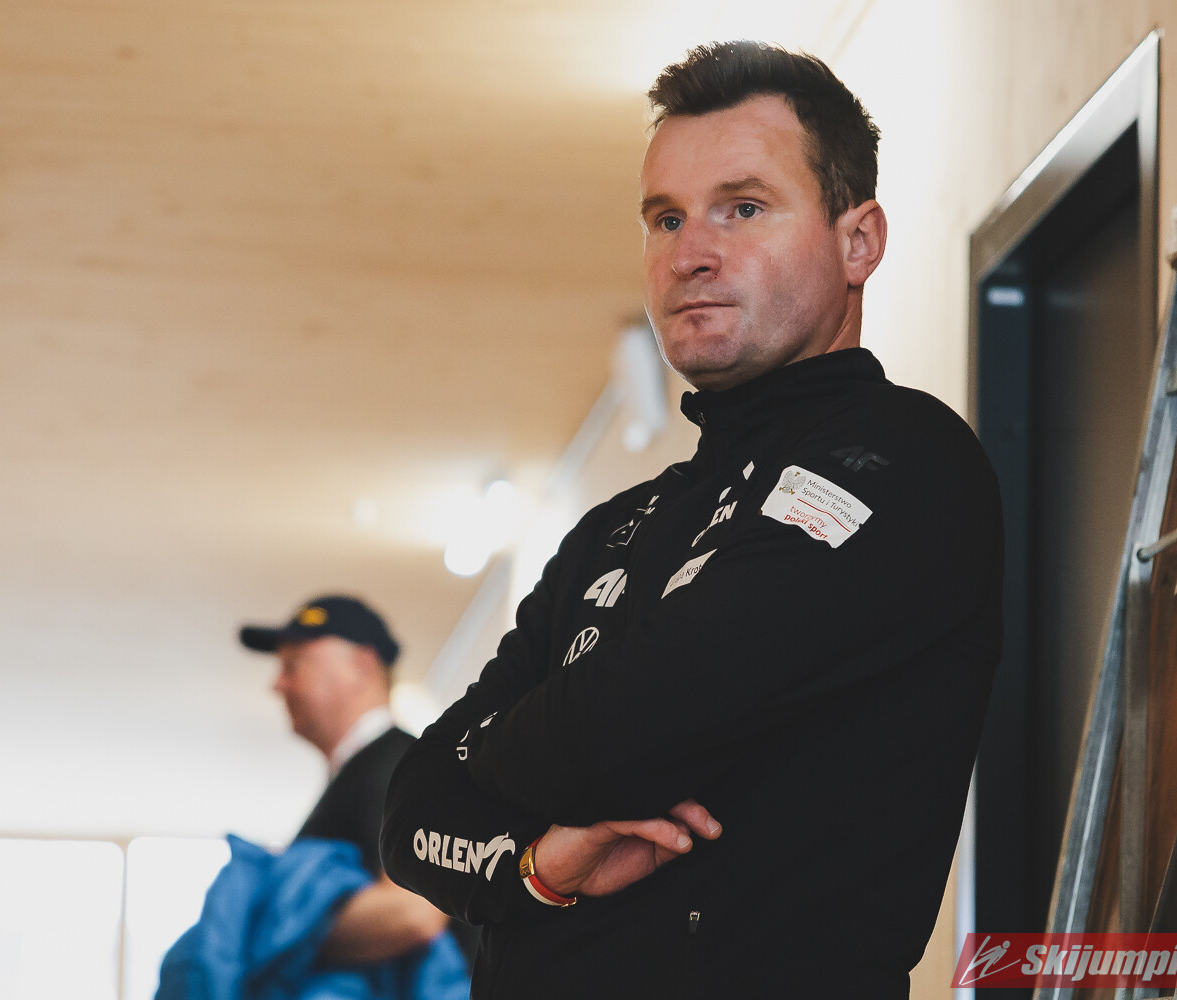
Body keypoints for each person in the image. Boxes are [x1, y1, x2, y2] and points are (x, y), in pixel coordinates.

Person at [380, 41, 1003, 999]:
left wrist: (494, 751)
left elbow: (622, 728)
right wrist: (536, 866)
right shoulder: (615, 529)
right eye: (666, 218)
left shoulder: (901, 461)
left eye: (743, 208)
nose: (691, 253)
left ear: (859, 242)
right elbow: (411, 814)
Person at [239, 595, 473, 965]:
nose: (278, 685)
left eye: (293, 665)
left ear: (361, 666)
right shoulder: (370, 769)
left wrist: (266, 934)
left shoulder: (396, 764)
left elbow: (414, 910)